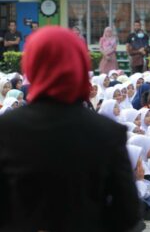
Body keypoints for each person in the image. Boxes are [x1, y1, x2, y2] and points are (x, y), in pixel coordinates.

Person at [0, 26, 141, 231]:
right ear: (80, 64)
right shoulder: (107, 132)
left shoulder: (7, 129)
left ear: (31, 66)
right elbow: (127, 213)